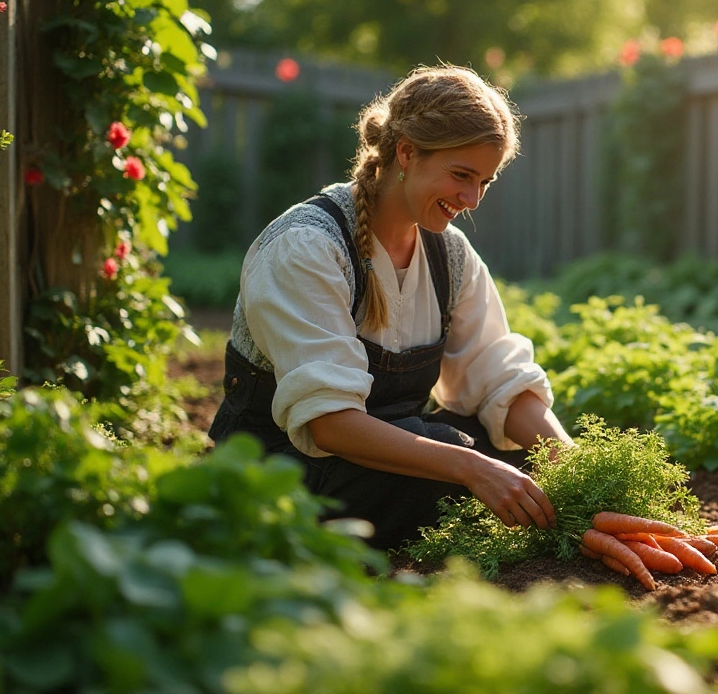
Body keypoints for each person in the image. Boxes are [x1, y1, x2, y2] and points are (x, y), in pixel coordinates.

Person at [208, 65, 572, 550]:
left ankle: (593, 524)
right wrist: (471, 466)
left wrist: (575, 465)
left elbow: (498, 376)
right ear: (406, 152)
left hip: (386, 459)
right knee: (471, 469)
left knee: (524, 462)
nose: (472, 199)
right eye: (462, 175)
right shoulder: (307, 246)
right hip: (290, 473)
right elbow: (329, 421)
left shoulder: (451, 256)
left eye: (485, 182)